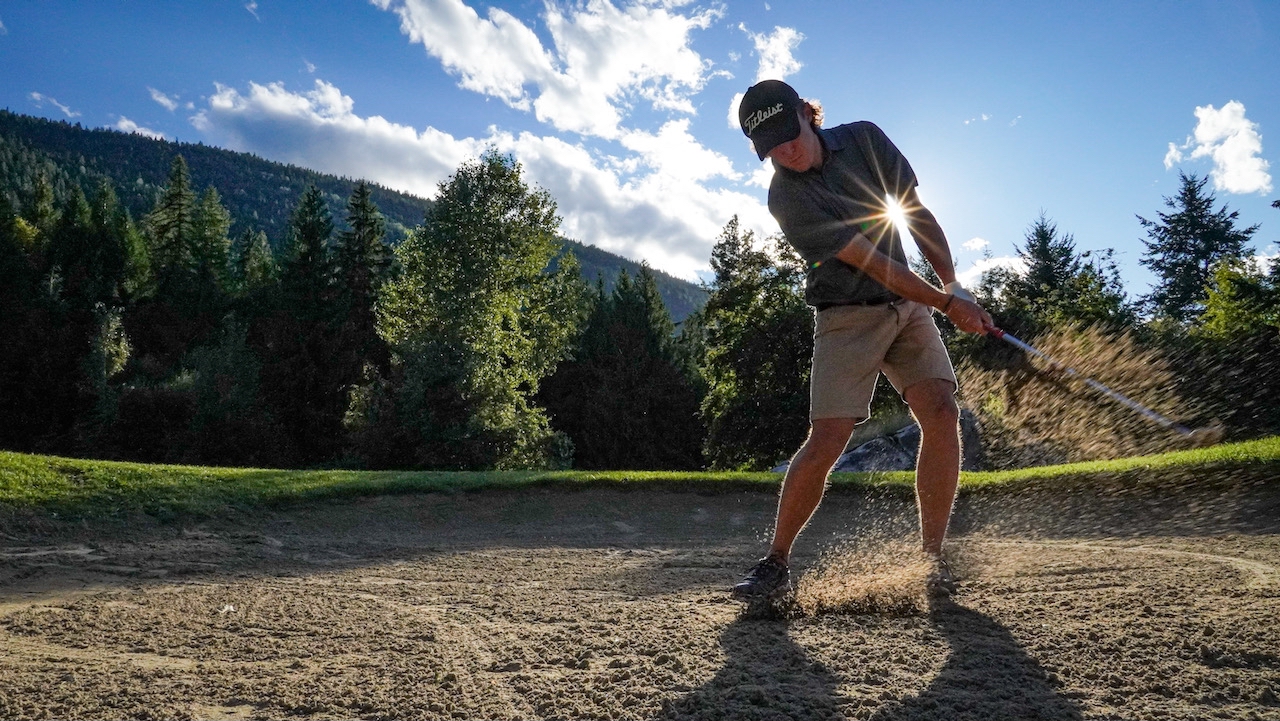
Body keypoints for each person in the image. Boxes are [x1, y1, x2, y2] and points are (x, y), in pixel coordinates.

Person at [731, 79, 995, 600]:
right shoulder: (787, 197)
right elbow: (873, 264)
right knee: (829, 437)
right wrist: (949, 305)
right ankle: (776, 562)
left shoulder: (867, 140)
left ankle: (932, 561)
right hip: (846, 317)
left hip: (909, 307)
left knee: (941, 411)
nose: (786, 151)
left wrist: (953, 285)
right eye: (771, 148)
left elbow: (914, 214)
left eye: (790, 134)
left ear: (808, 114)